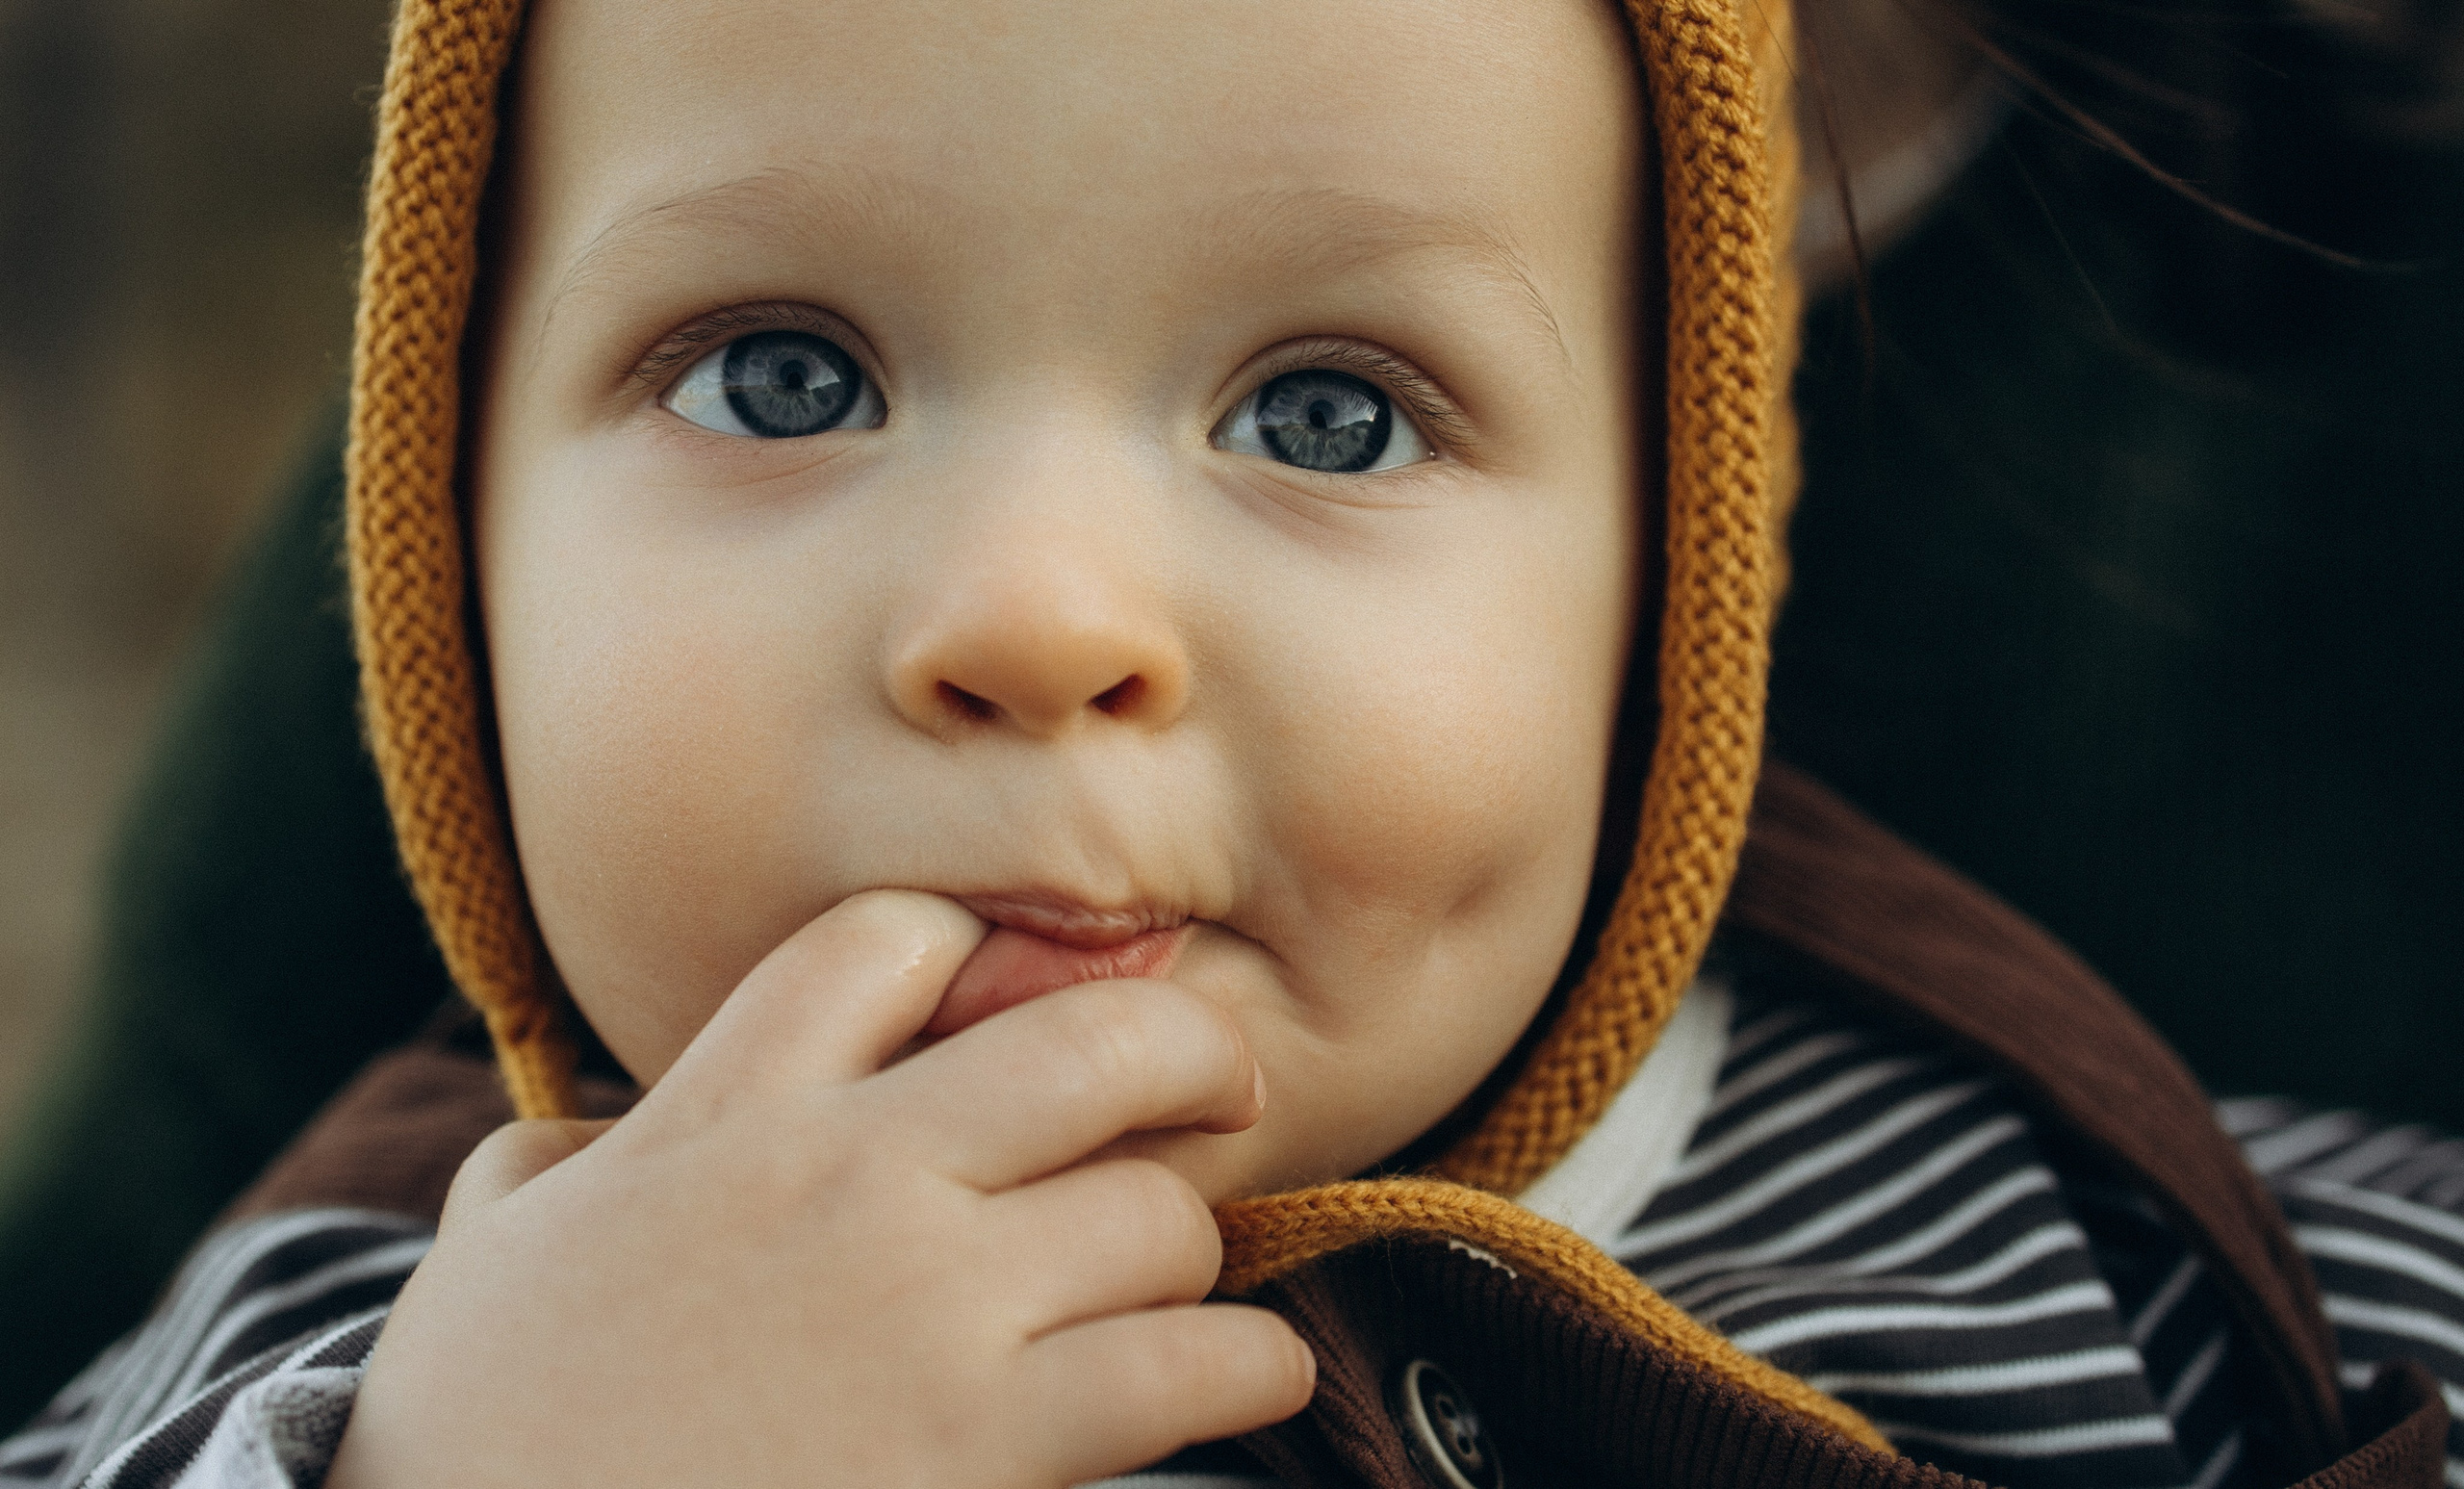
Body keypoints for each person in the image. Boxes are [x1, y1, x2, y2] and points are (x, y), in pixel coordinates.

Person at [2, 0, 2459, 1486]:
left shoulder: (2115, 1256)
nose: (1037, 619)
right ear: (438, 545)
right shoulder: (359, 1346)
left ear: (1666, 600)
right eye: (785, 376)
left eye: (1327, 413)